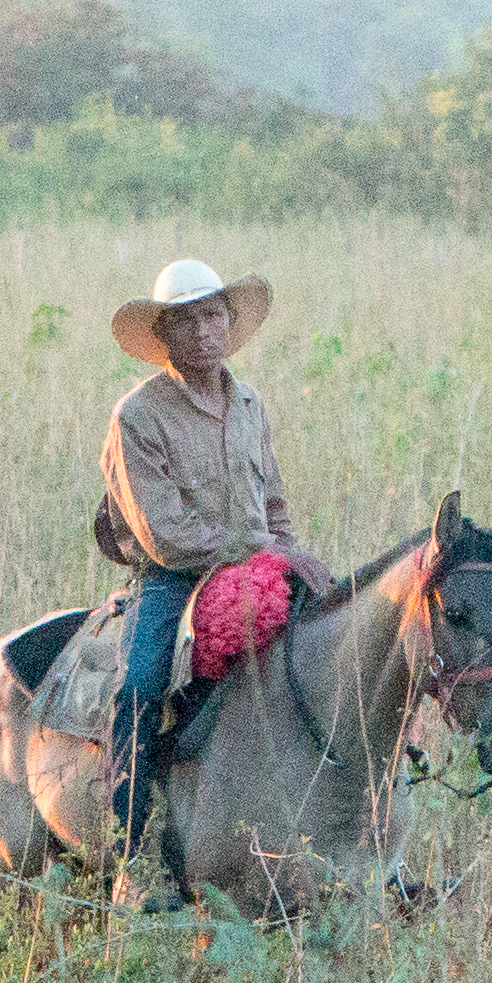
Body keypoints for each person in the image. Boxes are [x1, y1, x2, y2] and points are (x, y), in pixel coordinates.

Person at [97, 254, 339, 908]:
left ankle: (354, 843)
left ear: (229, 324)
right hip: (174, 580)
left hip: (257, 569)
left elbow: (276, 506)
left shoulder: (252, 404)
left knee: (339, 653)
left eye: (214, 317)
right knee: (141, 684)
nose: (204, 331)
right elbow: (165, 535)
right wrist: (265, 549)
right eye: (187, 322)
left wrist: (286, 555)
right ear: (165, 337)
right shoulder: (137, 416)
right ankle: (134, 857)